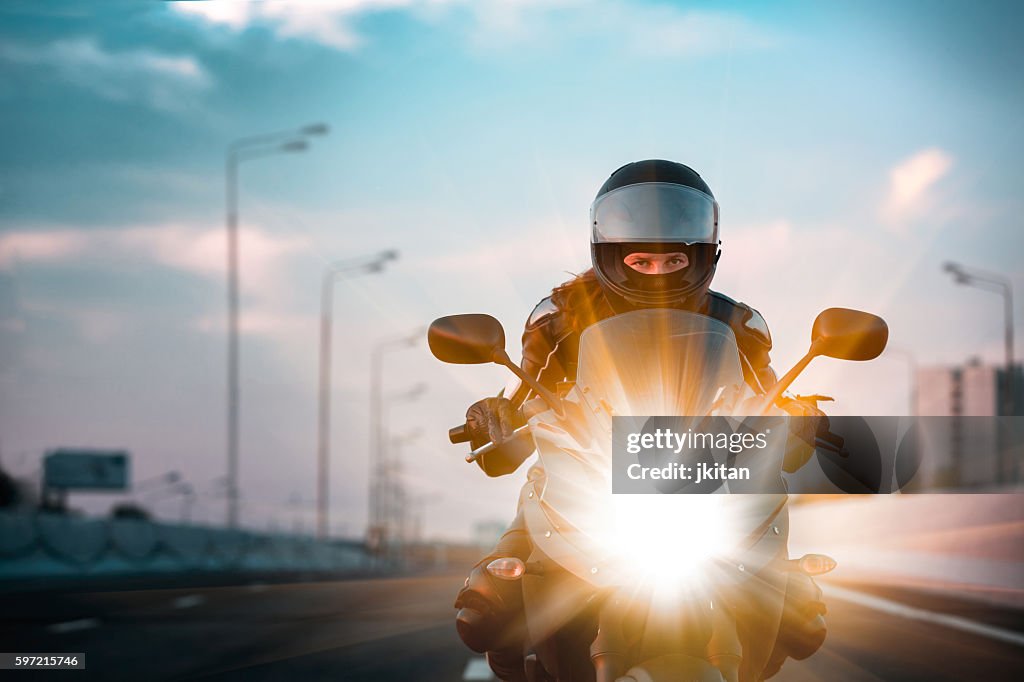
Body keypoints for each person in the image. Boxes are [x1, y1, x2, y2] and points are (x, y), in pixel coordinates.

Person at [453, 159, 826, 680]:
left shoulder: (738, 324)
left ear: (702, 256)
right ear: (609, 254)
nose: (657, 273)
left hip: (705, 484)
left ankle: (775, 612)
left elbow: (768, 398)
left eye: (672, 260)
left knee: (794, 600)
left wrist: (799, 415)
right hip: (586, 478)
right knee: (491, 599)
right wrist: (494, 416)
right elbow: (524, 394)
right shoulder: (560, 318)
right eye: (642, 262)